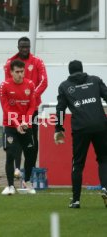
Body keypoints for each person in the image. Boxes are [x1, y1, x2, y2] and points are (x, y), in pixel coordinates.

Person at [54, 60, 107, 208]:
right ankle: (106, 188)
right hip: (100, 125)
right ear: (82, 70)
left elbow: (60, 109)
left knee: (77, 163)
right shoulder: (95, 80)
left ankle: (76, 200)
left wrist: (58, 128)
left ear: (69, 72)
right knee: (104, 159)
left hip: (80, 128)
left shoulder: (65, 86)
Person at [4, 36, 48, 178]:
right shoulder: (10, 62)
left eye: (27, 47)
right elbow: (7, 83)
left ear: (30, 47)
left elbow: (44, 81)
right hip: (15, 107)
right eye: (22, 47)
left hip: (32, 108)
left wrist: (31, 97)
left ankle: (31, 168)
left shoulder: (37, 61)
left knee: (32, 138)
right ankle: (17, 168)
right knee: (16, 138)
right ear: (18, 47)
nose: (25, 49)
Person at [0, 59, 37, 195]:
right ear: (11, 72)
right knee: (11, 154)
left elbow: (32, 105)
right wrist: (17, 123)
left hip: (26, 125)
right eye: (17, 72)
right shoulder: (4, 86)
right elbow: (6, 108)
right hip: (10, 125)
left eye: (22, 71)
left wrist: (26, 122)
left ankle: (27, 182)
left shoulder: (30, 84)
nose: (20, 74)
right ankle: (10, 186)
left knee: (31, 154)